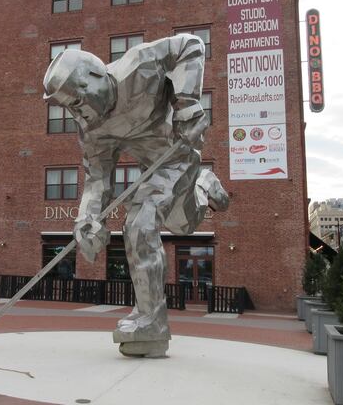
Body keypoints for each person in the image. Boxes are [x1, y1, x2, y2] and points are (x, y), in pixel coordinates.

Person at [43, 34, 229, 357]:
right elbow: (97, 179)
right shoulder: (92, 129)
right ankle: (203, 186)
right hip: (153, 166)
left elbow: (190, 45)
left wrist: (187, 102)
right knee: (182, 225)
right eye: (67, 107)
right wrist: (87, 218)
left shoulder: (137, 66)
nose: (76, 113)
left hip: (180, 149)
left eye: (75, 102)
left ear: (95, 78)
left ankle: (152, 322)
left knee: (139, 224)